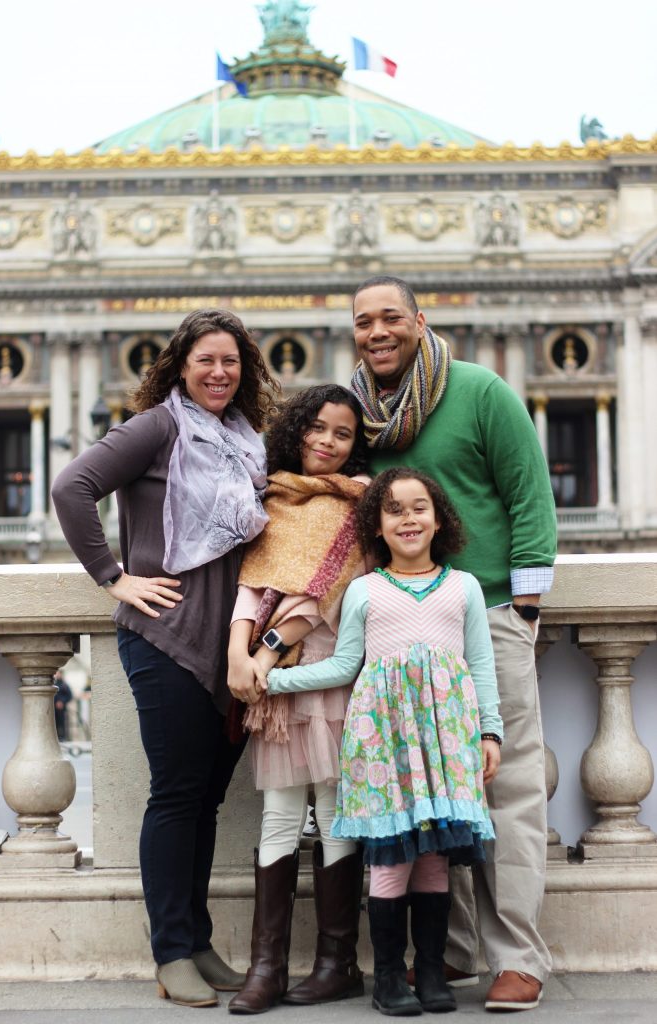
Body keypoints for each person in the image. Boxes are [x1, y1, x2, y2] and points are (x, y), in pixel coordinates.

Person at [51, 309, 278, 1008]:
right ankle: (170, 950)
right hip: (167, 636)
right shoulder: (158, 427)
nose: (218, 372)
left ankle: (198, 940)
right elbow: (72, 488)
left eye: (231, 361)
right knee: (178, 796)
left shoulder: (247, 440)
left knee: (206, 801)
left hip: (229, 644)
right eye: (206, 359)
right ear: (180, 364)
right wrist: (114, 576)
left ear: (245, 372)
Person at [349, 276, 557, 1013]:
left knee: (505, 789)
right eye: (363, 321)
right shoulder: (361, 417)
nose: (377, 332)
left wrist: (524, 608)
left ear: (418, 321)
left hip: (489, 609)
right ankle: (454, 954)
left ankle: (518, 958)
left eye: (390, 318)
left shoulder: (478, 390)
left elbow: (529, 492)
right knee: (433, 794)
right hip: (404, 626)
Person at [265, 468, 503, 1016]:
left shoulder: (462, 586)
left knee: (435, 859)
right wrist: (275, 680)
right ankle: (390, 977)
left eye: (419, 507)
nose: (408, 518)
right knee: (391, 860)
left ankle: (434, 972)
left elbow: (481, 666)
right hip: (382, 745)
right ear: (376, 525)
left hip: (446, 741)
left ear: (439, 517)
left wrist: (489, 731)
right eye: (393, 509)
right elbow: (346, 665)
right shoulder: (364, 591)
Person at [226, 384, 370, 1014]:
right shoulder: (274, 497)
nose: (326, 442)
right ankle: (267, 967)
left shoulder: (357, 508)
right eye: (316, 428)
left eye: (342, 434)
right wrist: (237, 648)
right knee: (281, 815)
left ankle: (338, 962)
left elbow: (315, 599)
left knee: (337, 813)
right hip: (270, 681)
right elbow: (253, 583)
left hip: (326, 675)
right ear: (294, 430)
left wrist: (263, 654)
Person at [53, 670, 73, 742]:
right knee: (54, 723)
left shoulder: (65, 685)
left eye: (58, 673)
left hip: (61, 709)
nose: (57, 675)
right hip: (53, 708)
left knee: (62, 723)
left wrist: (62, 702)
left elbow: (70, 696)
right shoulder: (53, 684)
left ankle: (63, 737)